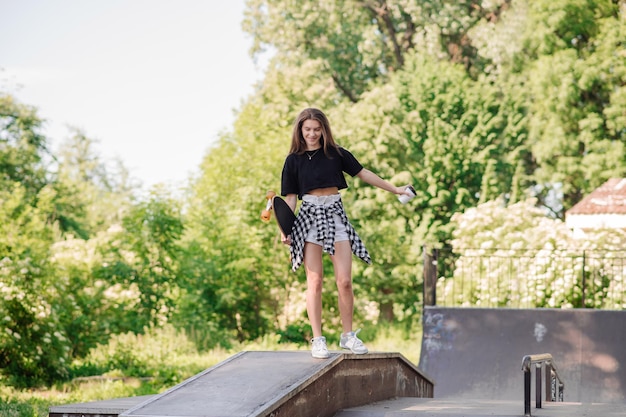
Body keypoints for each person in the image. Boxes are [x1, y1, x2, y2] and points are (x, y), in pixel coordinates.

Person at [280, 107, 414, 359]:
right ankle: (318, 339)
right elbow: (288, 200)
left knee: (345, 281)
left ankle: (347, 336)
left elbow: (363, 173)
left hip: (335, 214)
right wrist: (284, 230)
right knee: (315, 282)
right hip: (308, 218)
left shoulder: (337, 154)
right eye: (307, 129)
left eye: (316, 129)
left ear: (324, 129)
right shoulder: (293, 161)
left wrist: (395, 189)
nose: (312, 134)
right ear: (300, 130)